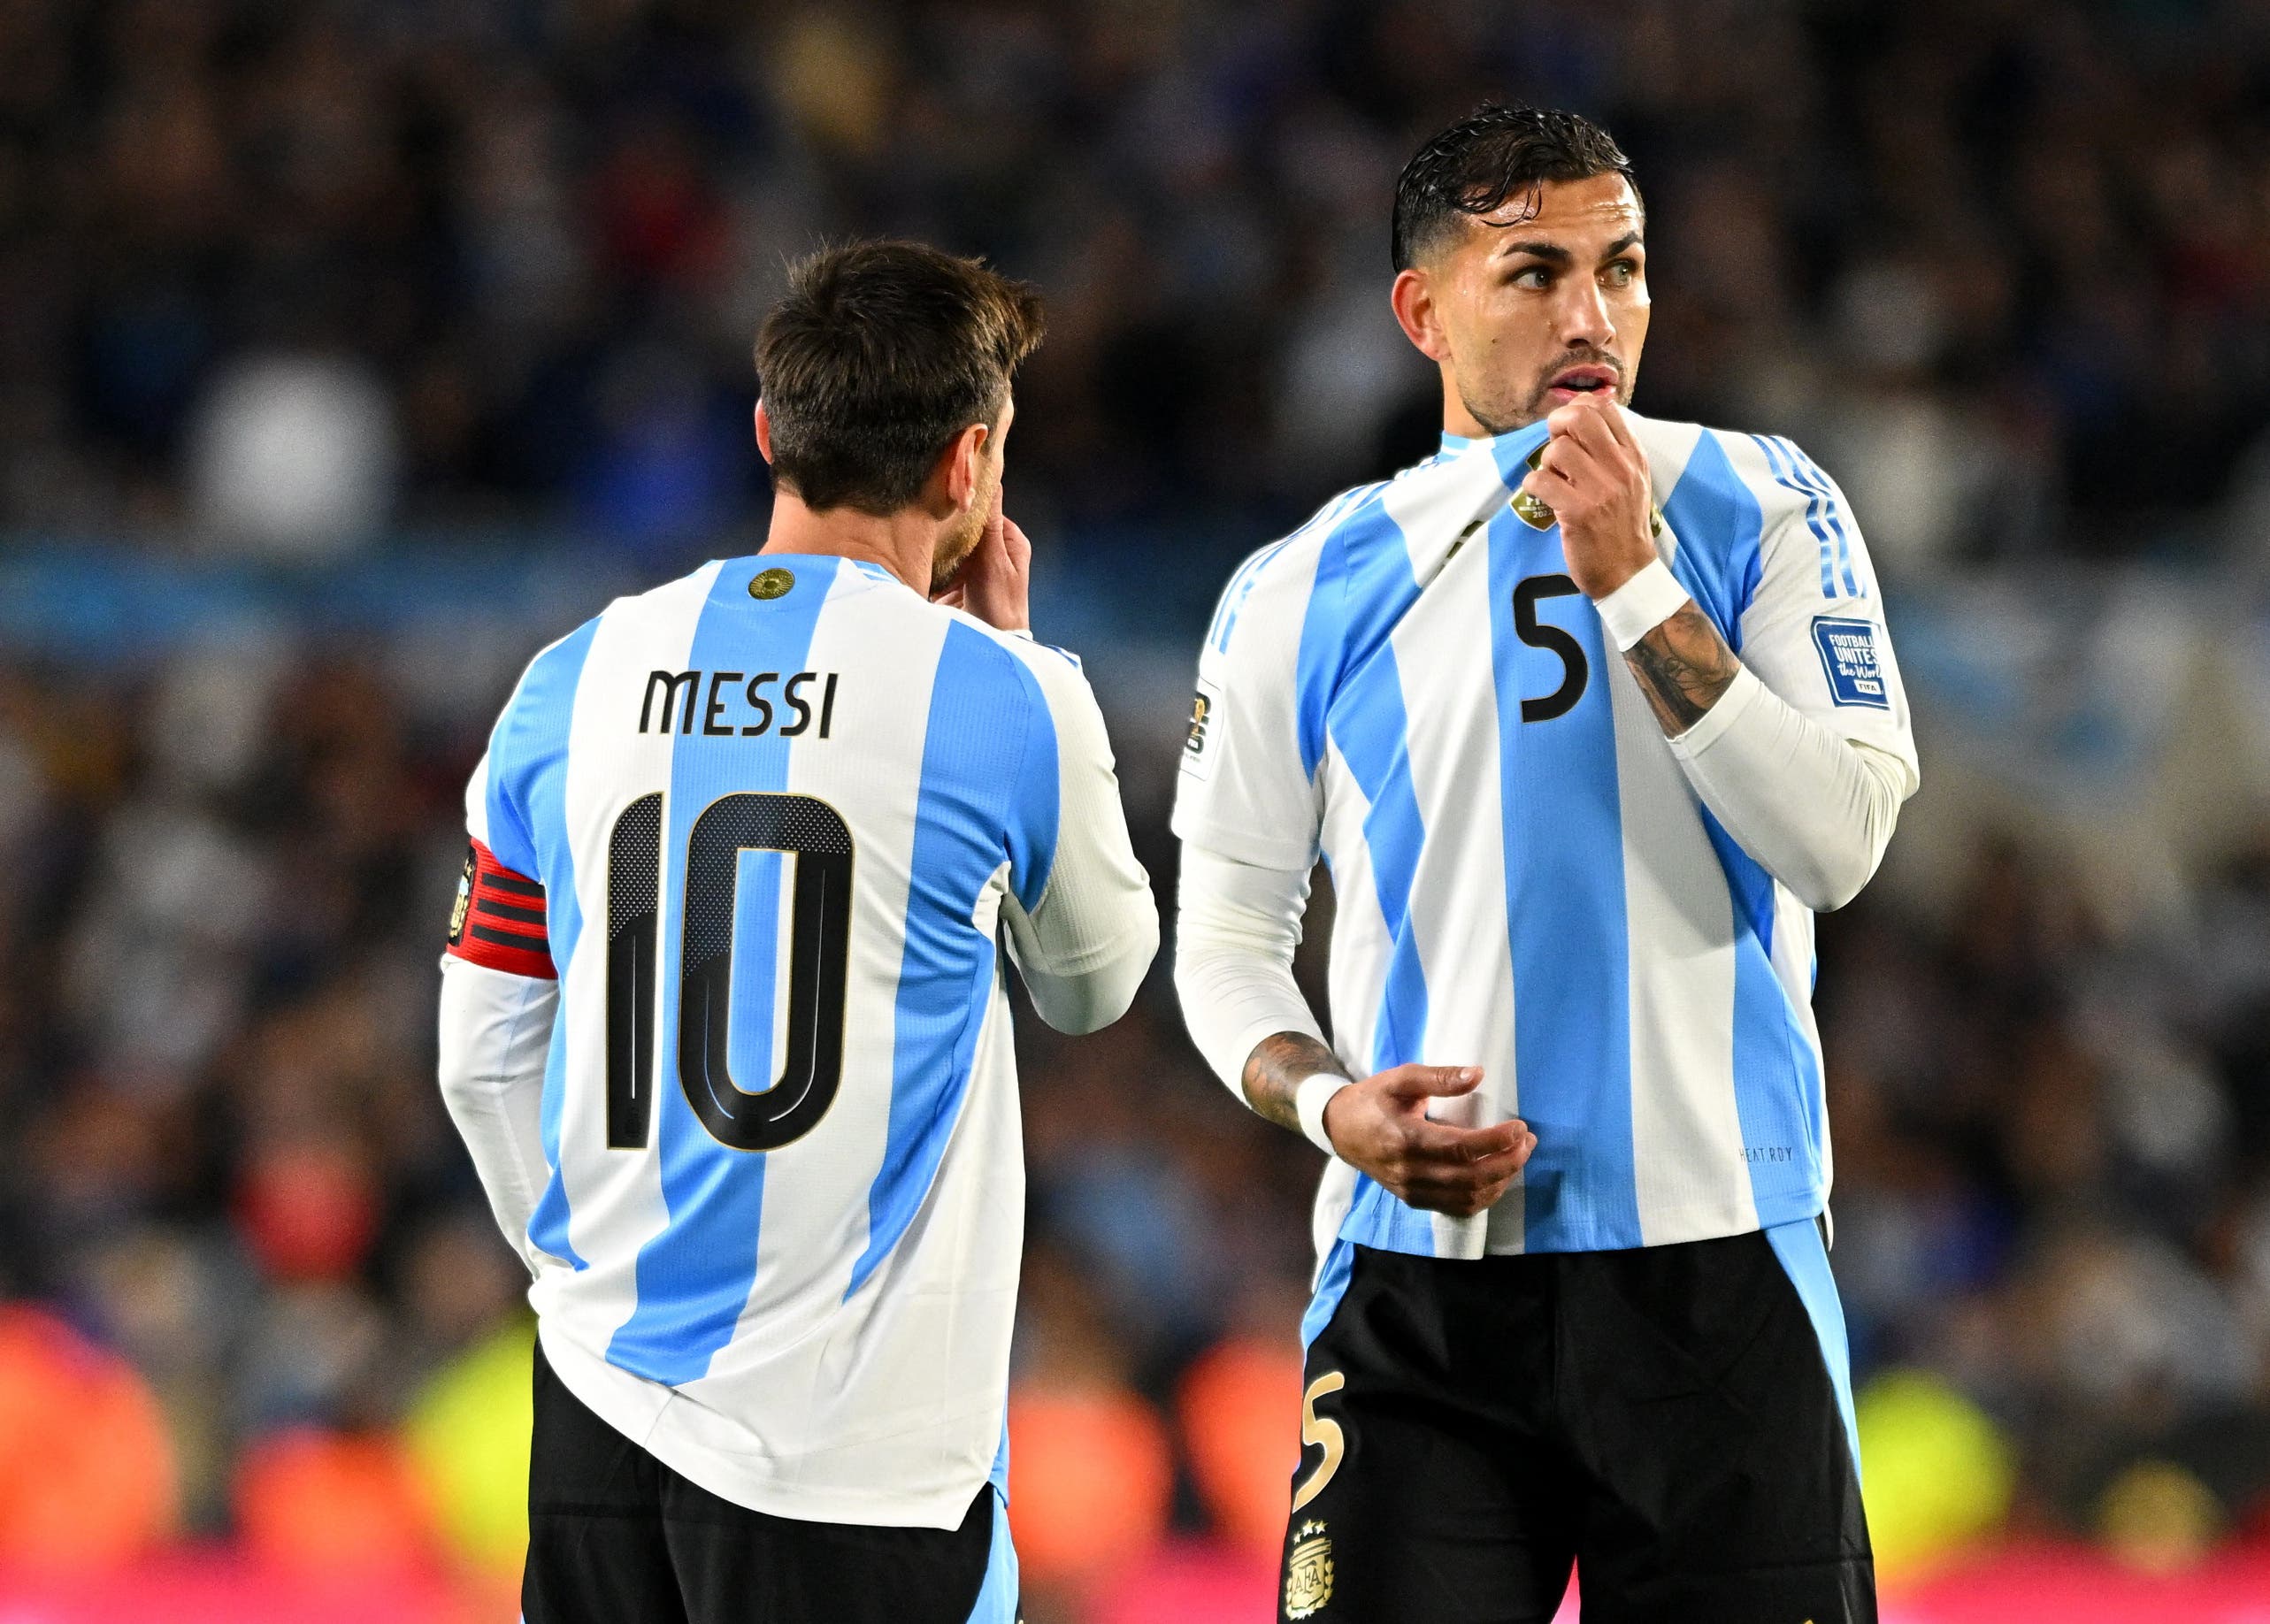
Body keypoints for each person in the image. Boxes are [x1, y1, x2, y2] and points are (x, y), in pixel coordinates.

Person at [1173, 105, 1918, 1623]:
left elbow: (1839, 843)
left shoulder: (1763, 503)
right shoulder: (1302, 582)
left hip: (1717, 1270)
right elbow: (1226, 941)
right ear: (1422, 311)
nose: (1593, 318)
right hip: (1418, 1290)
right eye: (1533, 274)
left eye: (1623, 268)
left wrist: (1635, 585)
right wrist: (1327, 1106)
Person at [435, 240, 1159, 1624]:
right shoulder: (1002, 696)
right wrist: (1025, 668)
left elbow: (481, 1057)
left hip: (597, 1418)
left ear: (770, 433)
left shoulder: (566, 680)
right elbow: (1093, 985)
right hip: (855, 1469)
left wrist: (595, 1291)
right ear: (967, 464)